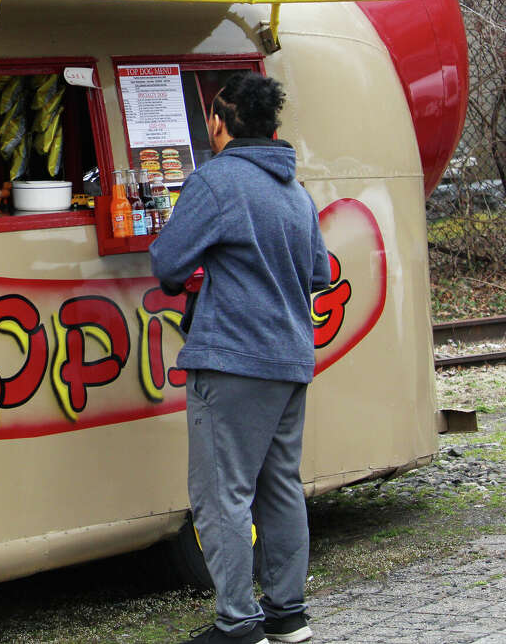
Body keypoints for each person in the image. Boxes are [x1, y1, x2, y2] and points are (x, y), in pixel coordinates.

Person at [149, 72, 331, 644]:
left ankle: (238, 623)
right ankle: (287, 615)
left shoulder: (215, 181)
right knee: (280, 488)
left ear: (219, 122)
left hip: (231, 360)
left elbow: (168, 265)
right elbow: (319, 273)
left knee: (221, 494)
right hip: (290, 359)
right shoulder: (295, 191)